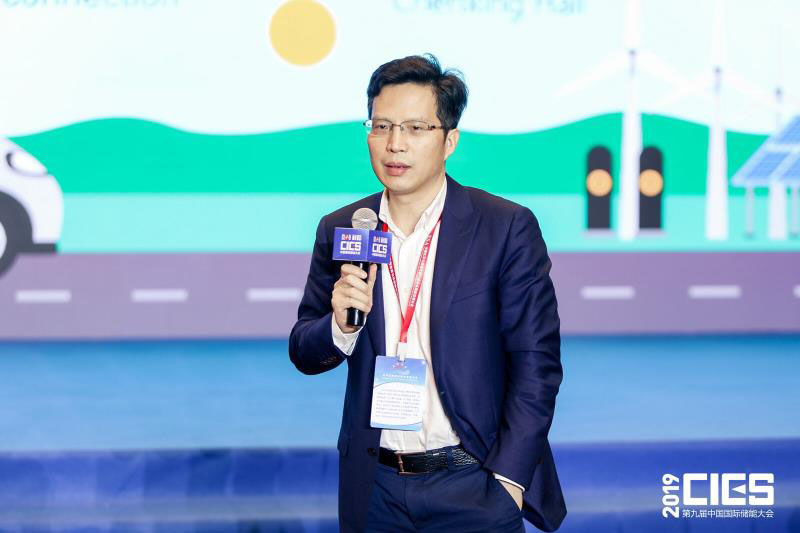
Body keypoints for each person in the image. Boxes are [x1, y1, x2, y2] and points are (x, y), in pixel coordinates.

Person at [289, 54, 565, 532]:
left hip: (474, 481)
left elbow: (535, 362)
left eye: (415, 128)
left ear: (449, 140)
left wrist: (509, 480)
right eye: (381, 126)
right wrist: (339, 326)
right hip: (375, 488)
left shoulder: (503, 228)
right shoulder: (343, 228)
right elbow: (304, 351)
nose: (395, 144)